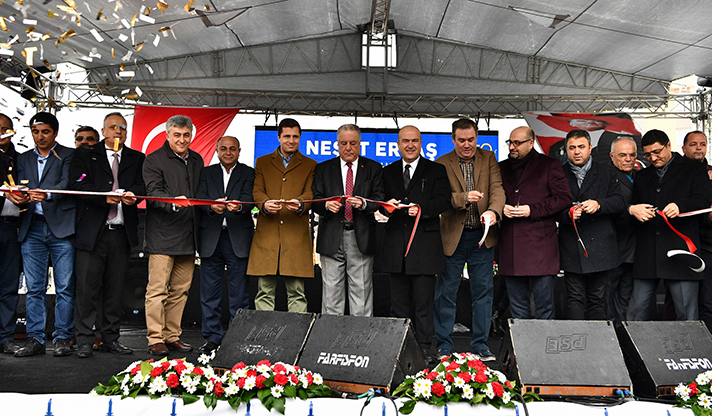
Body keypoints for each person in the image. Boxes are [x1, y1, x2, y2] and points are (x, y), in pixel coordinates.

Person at [68, 112, 145, 358]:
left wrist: (134, 195)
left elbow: (143, 185)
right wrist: (104, 197)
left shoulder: (137, 158)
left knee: (115, 289)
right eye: (113, 127)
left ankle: (110, 338)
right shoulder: (85, 154)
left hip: (121, 232)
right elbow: (78, 183)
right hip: (93, 232)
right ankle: (84, 339)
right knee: (87, 289)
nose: (118, 131)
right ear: (103, 132)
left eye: (122, 127)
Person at [433, 118, 505, 361]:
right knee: (446, 292)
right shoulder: (442, 163)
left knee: (483, 292)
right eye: (462, 140)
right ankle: (444, 345)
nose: (467, 145)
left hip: (482, 237)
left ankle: (481, 345)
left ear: (477, 138)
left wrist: (493, 212)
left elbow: (497, 189)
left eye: (471, 139)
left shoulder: (489, 158)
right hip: (452, 237)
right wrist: (463, 198)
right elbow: (441, 198)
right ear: (453, 139)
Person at [378, 125, 451, 361]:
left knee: (423, 303)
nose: (410, 145)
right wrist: (386, 206)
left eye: (415, 141)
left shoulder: (436, 169)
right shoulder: (387, 172)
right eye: (405, 141)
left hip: (424, 248)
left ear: (421, 143)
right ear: (398, 144)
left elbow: (444, 200)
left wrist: (422, 209)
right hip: (395, 248)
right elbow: (379, 201)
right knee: (398, 304)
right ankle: (399, 348)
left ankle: (425, 349)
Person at [6, 112, 76, 357]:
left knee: (65, 287)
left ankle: (62, 337)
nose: (40, 136)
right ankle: (35, 338)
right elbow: (16, 184)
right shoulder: (23, 157)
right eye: (35, 132)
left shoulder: (69, 154)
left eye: (45, 132)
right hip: (31, 226)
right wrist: (16, 194)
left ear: (55, 132)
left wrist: (47, 193)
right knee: (34, 288)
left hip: (62, 227)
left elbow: (70, 183)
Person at [628, 129, 712, 321]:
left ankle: (689, 344)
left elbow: (704, 199)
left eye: (657, 152)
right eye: (648, 154)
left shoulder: (693, 168)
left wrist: (680, 206)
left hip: (680, 251)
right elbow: (631, 204)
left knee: (687, 315)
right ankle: (630, 343)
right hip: (648, 252)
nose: (653, 158)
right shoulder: (642, 175)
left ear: (669, 146)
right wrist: (634, 209)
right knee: (636, 311)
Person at [143, 115, 203, 356]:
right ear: (167, 135)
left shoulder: (197, 159)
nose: (182, 139)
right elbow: (152, 194)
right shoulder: (153, 159)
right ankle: (155, 338)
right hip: (162, 237)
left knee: (180, 291)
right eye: (177, 135)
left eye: (186, 135)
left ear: (191, 136)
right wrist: (173, 203)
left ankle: (172, 336)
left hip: (188, 237)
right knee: (157, 290)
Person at [498, 126, 572, 319]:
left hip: (541, 248)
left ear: (531, 143)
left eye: (517, 143)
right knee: (517, 310)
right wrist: (500, 208)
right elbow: (492, 196)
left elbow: (564, 198)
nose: (512, 147)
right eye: (510, 142)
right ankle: (521, 341)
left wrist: (532, 210)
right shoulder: (501, 167)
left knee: (544, 308)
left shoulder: (549, 165)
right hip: (511, 247)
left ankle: (544, 341)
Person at [312, 124, 384, 316]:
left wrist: (363, 203)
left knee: (361, 294)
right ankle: (330, 335)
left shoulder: (374, 168)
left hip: (360, 236)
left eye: (353, 143)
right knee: (331, 295)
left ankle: (360, 335)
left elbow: (379, 199)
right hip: (331, 236)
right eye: (343, 143)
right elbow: (315, 200)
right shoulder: (323, 168)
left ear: (360, 143)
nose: (348, 148)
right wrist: (326, 205)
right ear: (337, 144)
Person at [248, 118, 317, 312]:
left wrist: (301, 202)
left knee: (297, 292)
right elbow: (257, 190)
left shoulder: (311, 164)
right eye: (287, 136)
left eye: (295, 137)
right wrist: (264, 204)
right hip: (267, 234)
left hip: (295, 236)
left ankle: (296, 331)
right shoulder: (262, 162)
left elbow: (311, 193)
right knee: (264, 291)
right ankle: (263, 330)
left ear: (300, 138)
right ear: (278, 137)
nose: (291, 141)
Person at [557, 129, 626, 320]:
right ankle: (575, 338)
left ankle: (597, 339)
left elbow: (620, 202)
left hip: (601, 245)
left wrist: (599, 204)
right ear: (566, 150)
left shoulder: (606, 171)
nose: (576, 151)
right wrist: (567, 214)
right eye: (572, 148)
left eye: (581, 147)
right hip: (571, 244)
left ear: (590, 147)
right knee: (574, 297)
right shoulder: (559, 173)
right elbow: (551, 207)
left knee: (597, 299)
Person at [195, 136, 254, 353]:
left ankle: (236, 338)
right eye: (223, 149)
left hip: (238, 238)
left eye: (232, 149)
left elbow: (250, 199)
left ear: (239, 151)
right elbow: (199, 198)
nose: (228, 152)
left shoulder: (248, 172)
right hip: (211, 238)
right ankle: (212, 338)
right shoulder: (206, 172)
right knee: (209, 293)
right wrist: (211, 206)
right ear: (217, 150)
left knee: (240, 295)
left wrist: (239, 207)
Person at [681, 130, 712, 331]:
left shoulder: (710, 172)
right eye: (693, 144)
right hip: (684, 246)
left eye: (702, 144)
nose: (699, 148)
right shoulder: (675, 173)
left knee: (707, 300)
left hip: (708, 245)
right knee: (683, 302)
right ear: (683, 148)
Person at [607, 136, 638, 324]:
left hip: (635, 250)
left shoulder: (640, 176)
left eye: (632, 155)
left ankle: (625, 335)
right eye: (622, 155)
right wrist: (630, 210)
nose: (628, 159)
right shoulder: (605, 177)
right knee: (608, 300)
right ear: (612, 156)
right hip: (613, 250)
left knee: (627, 301)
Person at [0, 113, 21, 354]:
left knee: (9, 285)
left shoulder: (20, 159)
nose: (2, 132)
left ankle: (6, 337)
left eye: (6, 128)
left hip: (13, 227)